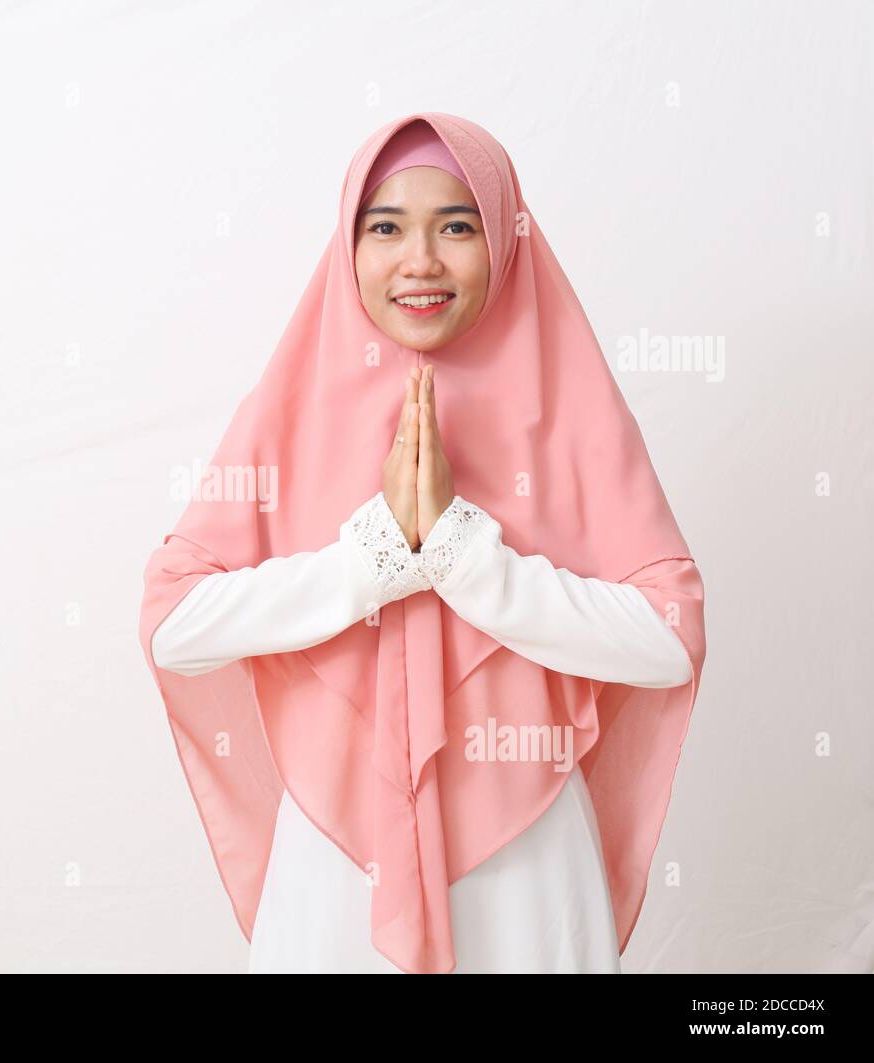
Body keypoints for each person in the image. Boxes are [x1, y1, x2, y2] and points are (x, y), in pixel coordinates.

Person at [137, 113, 707, 974]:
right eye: (386, 227)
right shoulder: (293, 408)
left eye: (457, 225)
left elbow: (670, 637)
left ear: (505, 237)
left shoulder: (569, 402)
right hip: (335, 862)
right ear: (349, 242)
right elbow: (173, 623)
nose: (421, 261)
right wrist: (369, 562)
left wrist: (463, 557)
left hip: (526, 858)